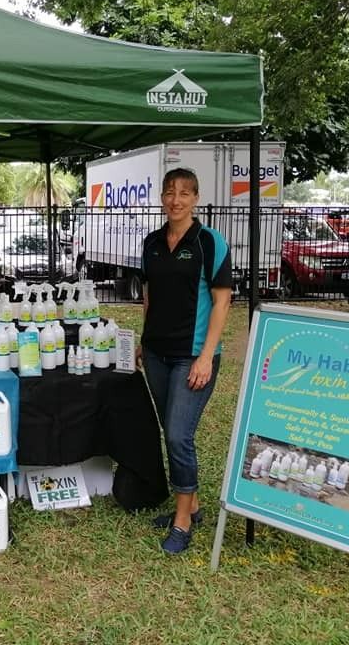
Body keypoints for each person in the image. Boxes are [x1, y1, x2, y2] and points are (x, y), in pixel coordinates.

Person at [137, 168, 232, 554]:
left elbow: (223, 300)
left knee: (179, 435)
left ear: (195, 198)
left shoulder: (210, 241)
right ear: (162, 197)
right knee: (168, 429)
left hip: (193, 357)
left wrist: (206, 356)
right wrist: (144, 341)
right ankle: (191, 502)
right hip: (157, 354)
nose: (175, 200)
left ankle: (182, 521)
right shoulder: (152, 242)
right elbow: (148, 294)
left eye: (184, 193)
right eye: (169, 193)